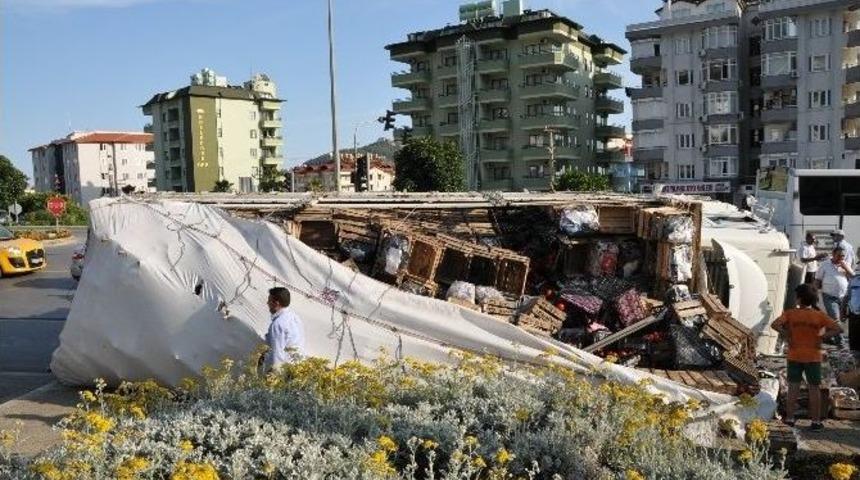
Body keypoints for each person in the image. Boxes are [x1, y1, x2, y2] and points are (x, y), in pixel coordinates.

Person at [771, 284, 842, 430]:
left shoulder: (790, 314)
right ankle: (815, 422)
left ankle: (790, 419)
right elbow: (838, 329)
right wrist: (822, 337)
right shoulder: (819, 315)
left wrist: (787, 334)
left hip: (794, 355)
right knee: (814, 389)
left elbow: (774, 324)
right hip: (813, 356)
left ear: (799, 299)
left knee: (793, 387)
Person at [263, 287, 306, 371]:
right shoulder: (294, 317)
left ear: (276, 303)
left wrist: (273, 374)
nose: (267, 303)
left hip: (286, 370)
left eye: (269, 300)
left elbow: (277, 354)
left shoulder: (278, 324)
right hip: (299, 366)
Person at [816, 247, 854, 325]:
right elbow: (818, 280)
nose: (841, 258)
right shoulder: (824, 264)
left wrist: (846, 268)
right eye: (839, 255)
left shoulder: (845, 264)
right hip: (830, 297)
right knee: (836, 320)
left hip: (844, 298)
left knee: (842, 320)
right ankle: (837, 332)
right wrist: (816, 293)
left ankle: (830, 332)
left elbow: (853, 277)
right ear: (833, 254)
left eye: (843, 256)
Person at [849, 251, 860, 351]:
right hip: (853, 313)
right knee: (854, 345)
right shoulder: (854, 276)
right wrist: (843, 309)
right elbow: (848, 294)